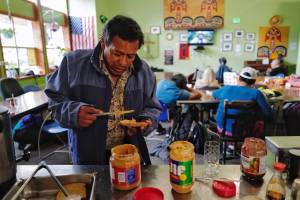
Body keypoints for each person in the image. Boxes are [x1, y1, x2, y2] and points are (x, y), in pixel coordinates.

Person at [45, 15, 161, 165]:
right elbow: (55, 101)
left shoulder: (144, 72)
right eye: (117, 54)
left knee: (130, 187)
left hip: (129, 152)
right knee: (92, 187)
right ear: (103, 43)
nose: (123, 62)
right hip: (87, 154)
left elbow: (152, 107)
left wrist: (146, 122)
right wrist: (73, 113)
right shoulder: (74, 64)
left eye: (130, 56)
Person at [212, 67, 272, 136]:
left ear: (239, 78)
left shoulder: (227, 88)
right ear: (254, 82)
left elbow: (214, 94)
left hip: (223, 130)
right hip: (246, 131)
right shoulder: (256, 93)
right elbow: (269, 114)